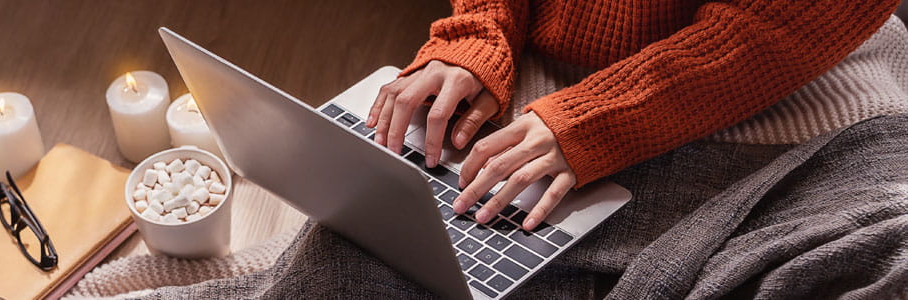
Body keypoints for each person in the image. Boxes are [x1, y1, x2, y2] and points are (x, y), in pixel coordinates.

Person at [368, 0, 900, 231]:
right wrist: (477, 32)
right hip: (541, 67)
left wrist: (599, 117)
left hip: (798, 80)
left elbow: (774, 30)